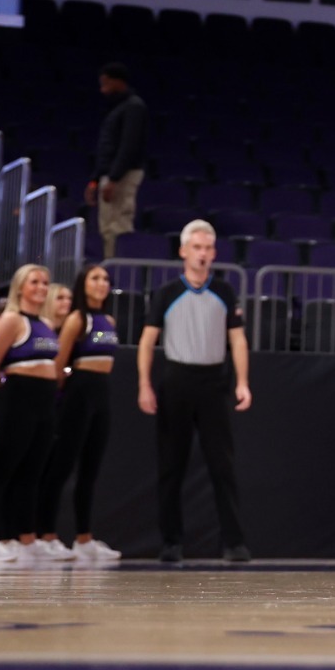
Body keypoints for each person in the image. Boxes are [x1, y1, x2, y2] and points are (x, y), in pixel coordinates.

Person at [136, 222, 251, 563]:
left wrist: (242, 382)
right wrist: (144, 384)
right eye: (196, 247)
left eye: (207, 248)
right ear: (183, 251)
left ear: (214, 253)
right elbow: (147, 341)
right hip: (177, 380)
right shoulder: (167, 292)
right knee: (172, 464)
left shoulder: (225, 291)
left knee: (222, 464)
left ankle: (234, 542)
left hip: (214, 381)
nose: (202, 254)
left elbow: (237, 340)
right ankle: (171, 541)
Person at [0, 265, 61, 564]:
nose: (41, 287)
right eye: (34, 282)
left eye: (45, 282)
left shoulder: (46, 323)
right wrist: (1, 397)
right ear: (20, 287)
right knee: (2, 468)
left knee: (33, 471)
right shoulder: (11, 319)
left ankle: (24, 537)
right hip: (19, 398)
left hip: (45, 402)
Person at [37, 264, 121, 562]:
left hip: (102, 393)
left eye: (105, 279)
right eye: (95, 278)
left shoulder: (108, 320)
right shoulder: (77, 318)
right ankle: (46, 534)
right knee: (61, 466)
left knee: (90, 469)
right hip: (79, 393)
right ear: (83, 284)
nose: (101, 283)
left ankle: (84, 538)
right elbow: (58, 363)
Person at [87, 62, 148, 259]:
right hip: (111, 174)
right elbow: (107, 149)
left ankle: (119, 271)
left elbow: (129, 146)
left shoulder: (134, 107)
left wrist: (114, 179)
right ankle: (111, 268)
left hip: (123, 175)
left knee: (119, 226)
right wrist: (95, 180)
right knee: (107, 228)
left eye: (105, 83)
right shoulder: (117, 108)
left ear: (117, 82)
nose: (102, 89)